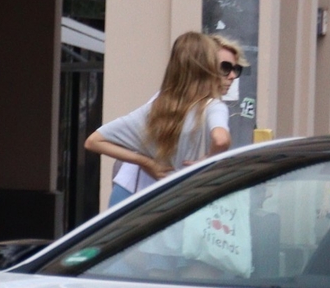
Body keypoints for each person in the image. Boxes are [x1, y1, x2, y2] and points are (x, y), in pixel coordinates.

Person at [85, 32, 231, 201]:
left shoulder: (156, 106)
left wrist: (147, 162)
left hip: (127, 197)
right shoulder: (212, 107)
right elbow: (221, 140)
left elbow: (93, 141)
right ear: (210, 67)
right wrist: (207, 160)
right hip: (168, 201)